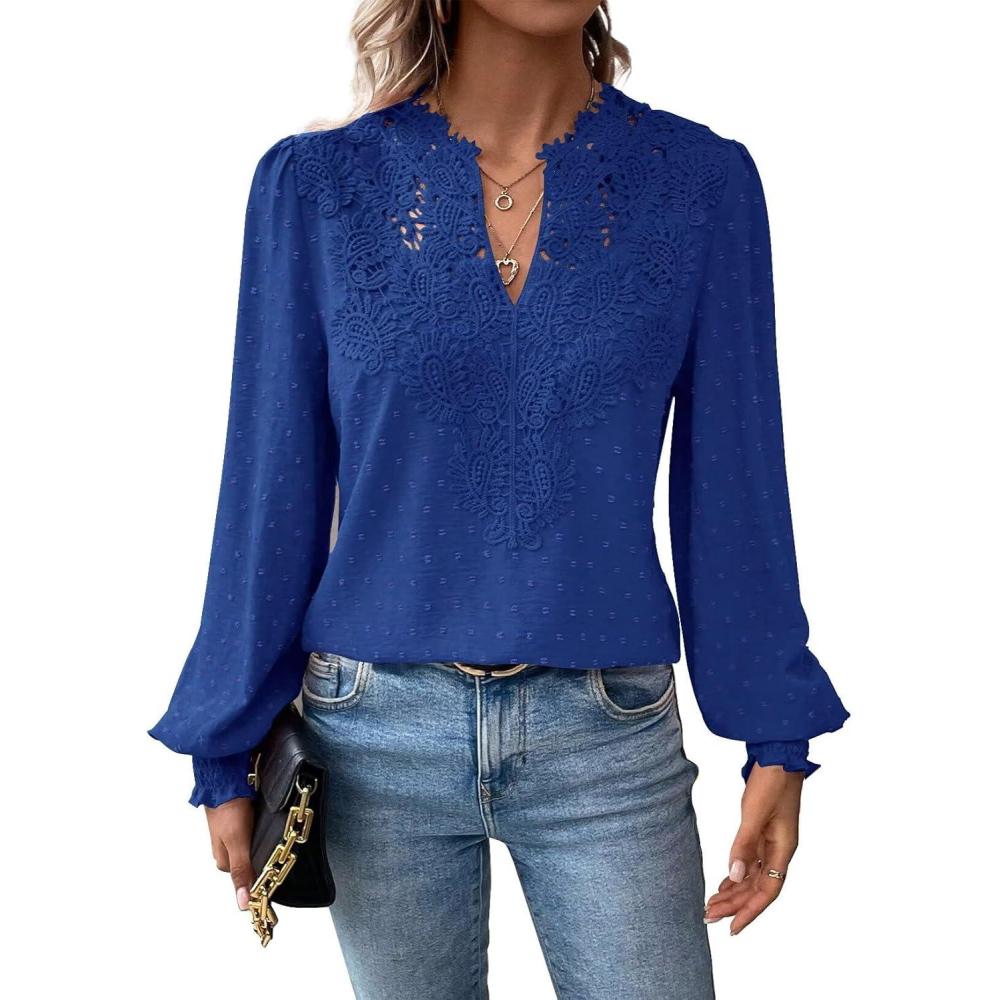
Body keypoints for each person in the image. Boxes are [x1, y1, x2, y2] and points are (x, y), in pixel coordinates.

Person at [148, 1, 850, 996]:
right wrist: (224, 736)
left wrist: (775, 728)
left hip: (607, 732)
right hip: (370, 733)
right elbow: (271, 481)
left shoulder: (701, 183)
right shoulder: (318, 185)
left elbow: (735, 477)